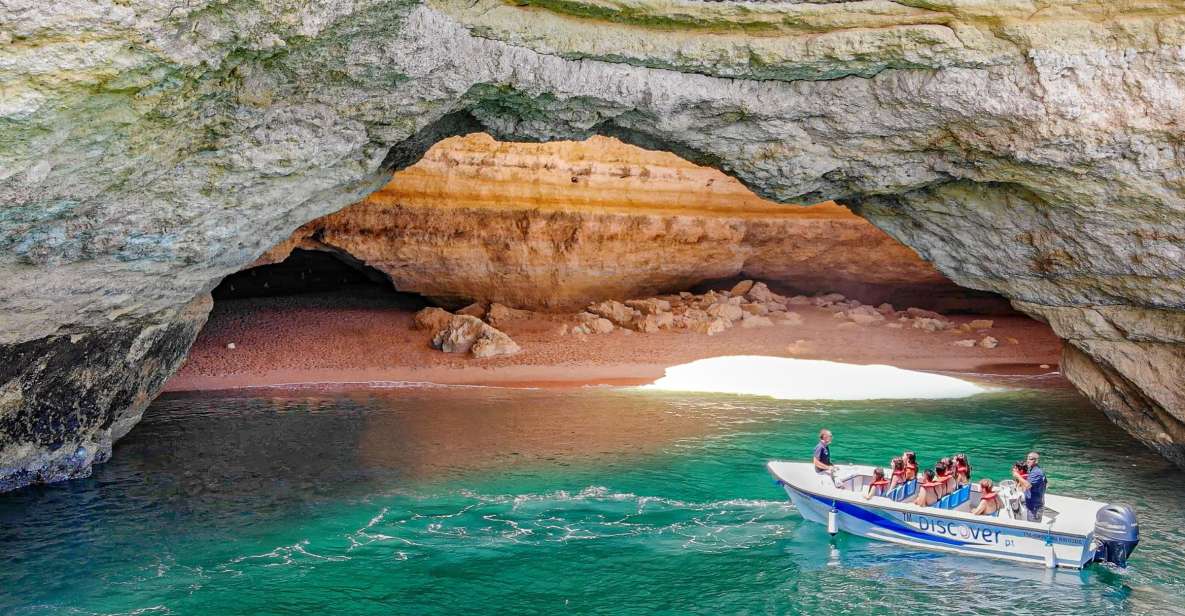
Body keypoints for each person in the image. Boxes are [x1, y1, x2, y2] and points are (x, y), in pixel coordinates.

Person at [1013, 451, 1047, 522]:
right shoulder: (1033, 470)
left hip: (1035, 508)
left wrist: (1017, 476)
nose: (1028, 461)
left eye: (1030, 459)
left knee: (1033, 527)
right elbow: (1046, 484)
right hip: (1033, 504)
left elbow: (1028, 485)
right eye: (1027, 459)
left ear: (1036, 460)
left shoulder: (1036, 472)